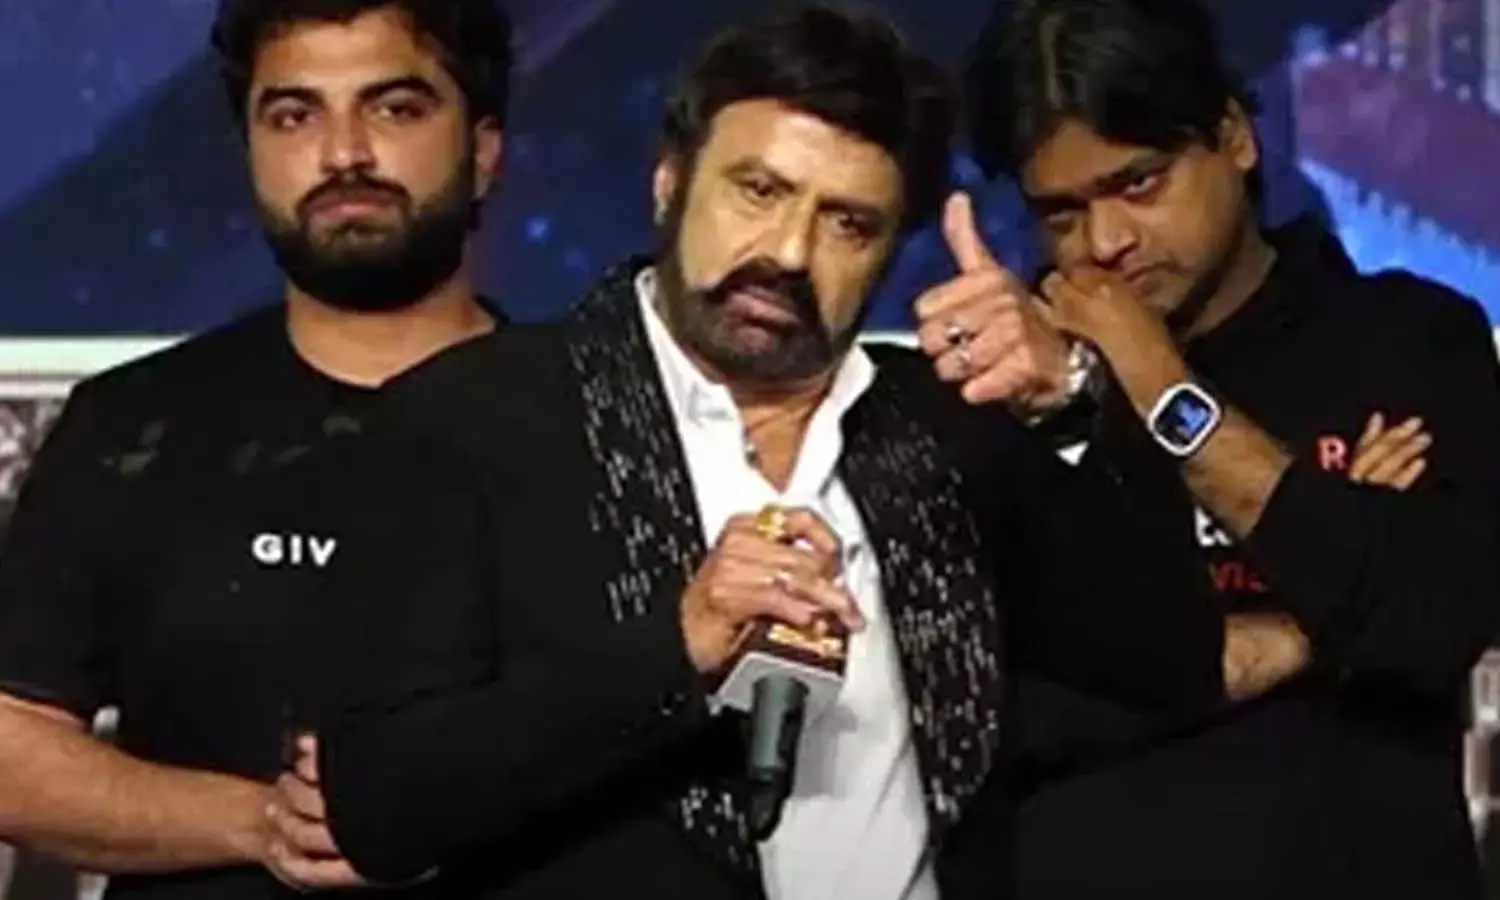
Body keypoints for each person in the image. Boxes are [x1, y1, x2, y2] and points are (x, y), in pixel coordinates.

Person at [256, 5, 1230, 899]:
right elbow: (382, 806)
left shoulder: (950, 424)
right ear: (669, 181)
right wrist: (677, 652)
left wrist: (1072, 400)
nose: (789, 253)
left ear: (893, 253)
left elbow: (1167, 665)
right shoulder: (469, 417)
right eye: (759, 191)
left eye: (847, 223)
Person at [950, 0, 1500, 896]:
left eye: (1139, 183)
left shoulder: (1412, 339)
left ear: (1234, 136)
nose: (1106, 243)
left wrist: (1160, 387)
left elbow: (1434, 620)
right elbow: (995, 714)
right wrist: (1318, 615)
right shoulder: (1006, 394)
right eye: (1061, 213)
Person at [0, 0, 512, 896]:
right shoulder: (129, 428)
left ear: (484, 149)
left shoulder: (597, 423)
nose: (344, 153)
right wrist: (266, 823)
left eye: (395, 108)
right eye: (294, 115)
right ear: (249, 153)